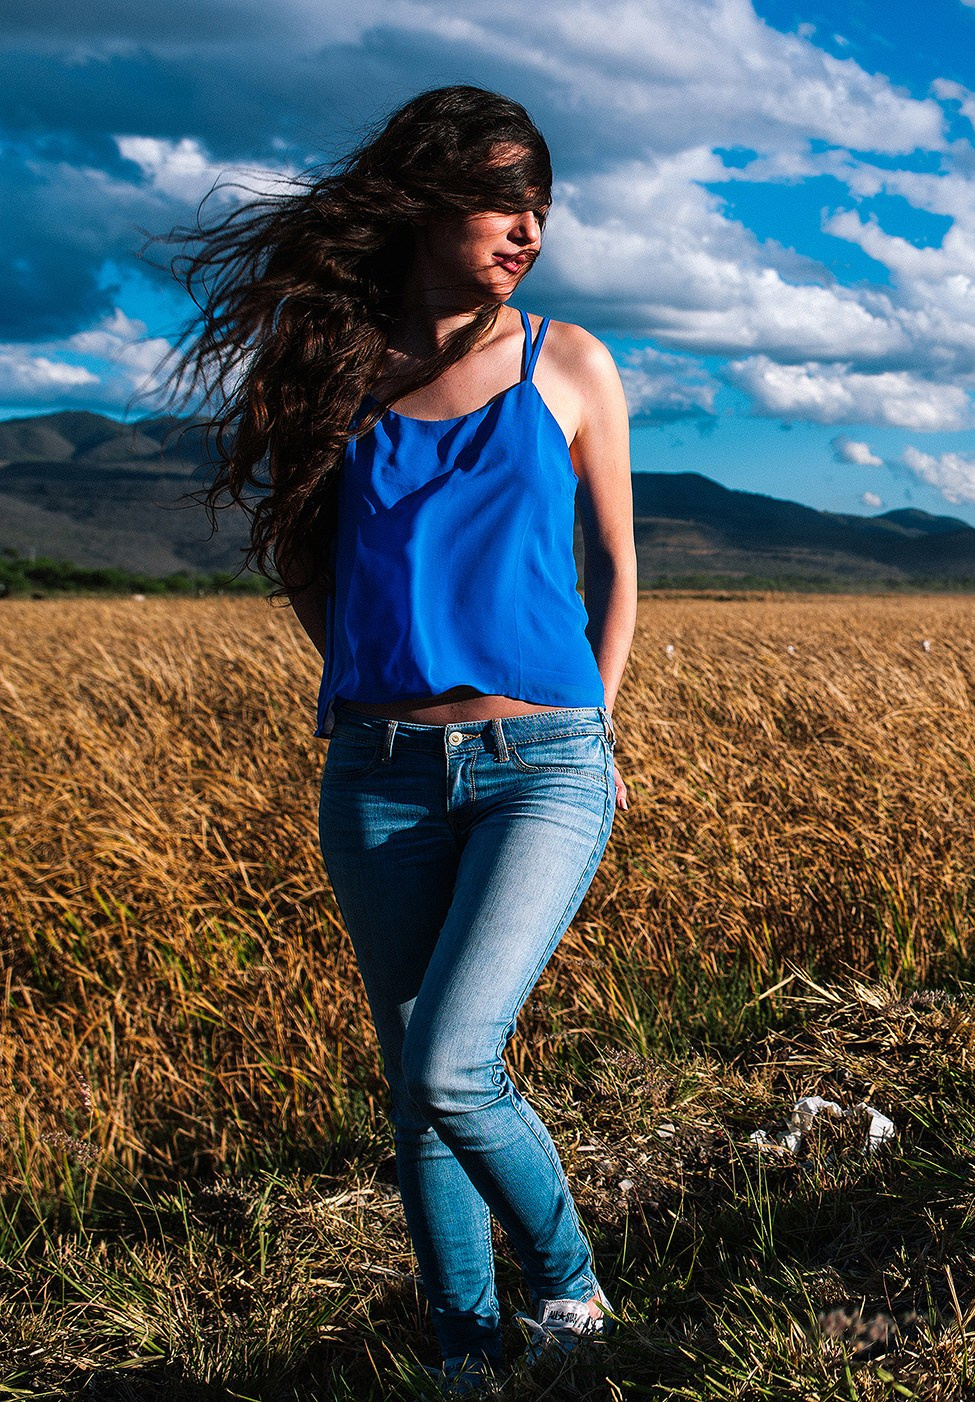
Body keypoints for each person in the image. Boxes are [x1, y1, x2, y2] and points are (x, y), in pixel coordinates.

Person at [169, 87, 637, 1384]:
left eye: (542, 201)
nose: (529, 223)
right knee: (414, 1086)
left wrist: (589, 722)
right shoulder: (340, 373)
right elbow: (303, 561)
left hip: (541, 767)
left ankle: (571, 1284)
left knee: (451, 1057)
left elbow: (618, 567)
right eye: (503, 195)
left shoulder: (573, 363)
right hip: (375, 775)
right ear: (426, 201)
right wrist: (375, 679)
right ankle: (462, 1356)